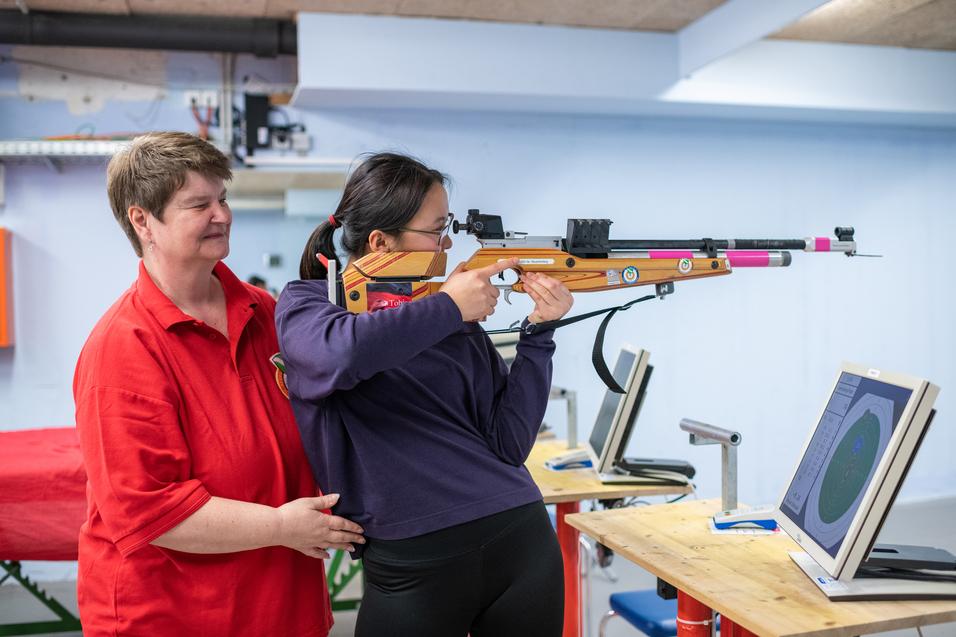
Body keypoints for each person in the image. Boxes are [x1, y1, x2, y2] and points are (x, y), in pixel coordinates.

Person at [73, 132, 364, 637]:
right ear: (143, 220)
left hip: (278, 602)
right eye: (198, 204)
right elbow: (152, 512)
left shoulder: (264, 311)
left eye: (223, 198)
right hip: (175, 615)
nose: (223, 215)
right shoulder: (123, 349)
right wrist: (280, 526)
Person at [275, 152, 573, 637]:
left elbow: (509, 443)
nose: (448, 243)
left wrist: (539, 334)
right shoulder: (312, 303)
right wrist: (450, 307)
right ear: (380, 242)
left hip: (518, 537)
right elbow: (338, 358)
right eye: (437, 230)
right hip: (412, 562)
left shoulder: (447, 316)